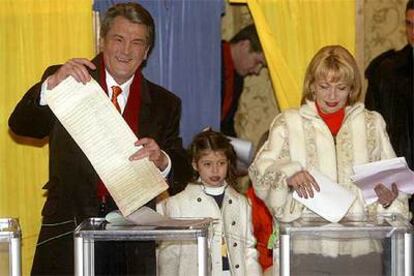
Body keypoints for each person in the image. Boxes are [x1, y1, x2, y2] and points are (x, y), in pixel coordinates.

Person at [8, 3, 191, 275]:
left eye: (137, 42)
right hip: (67, 231)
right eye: (118, 39)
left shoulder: (166, 103)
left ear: (147, 52)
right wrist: (50, 87)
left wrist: (161, 158)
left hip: (131, 241)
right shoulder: (66, 79)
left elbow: (181, 172)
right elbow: (22, 126)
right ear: (102, 40)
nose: (126, 50)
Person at [249, 45, 410, 275]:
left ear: (352, 89)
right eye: (324, 86)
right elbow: (259, 173)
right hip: (304, 249)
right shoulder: (288, 123)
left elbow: (396, 183)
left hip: (362, 251)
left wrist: (388, 199)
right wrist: (288, 174)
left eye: (341, 87)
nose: (332, 95)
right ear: (312, 86)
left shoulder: (372, 124)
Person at [158, 129, 262, 276]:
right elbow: (169, 255)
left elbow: (249, 250)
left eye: (221, 163)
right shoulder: (177, 204)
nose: (215, 170)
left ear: (229, 163)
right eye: (207, 164)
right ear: (195, 165)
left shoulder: (242, 203)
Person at [365, 0, 414, 224]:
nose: (413, 32)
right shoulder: (385, 73)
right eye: (409, 24)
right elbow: (371, 136)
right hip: (397, 188)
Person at [221, 24, 266, 137]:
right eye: (258, 62)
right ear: (245, 45)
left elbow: (226, 124)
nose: (257, 71)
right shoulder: (213, 55)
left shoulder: (238, 80)